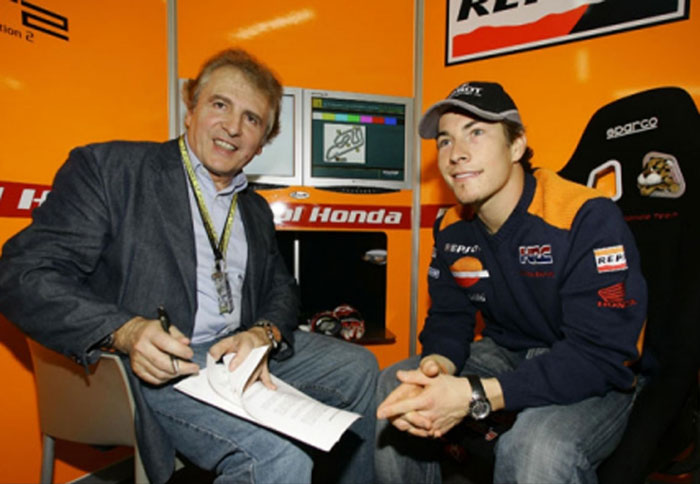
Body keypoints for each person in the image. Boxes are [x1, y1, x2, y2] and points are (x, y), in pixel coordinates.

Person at [0, 48, 377, 484]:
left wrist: (263, 332)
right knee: (279, 458)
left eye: (252, 119)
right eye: (220, 104)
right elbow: (21, 273)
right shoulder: (111, 170)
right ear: (191, 109)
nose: (233, 127)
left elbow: (281, 287)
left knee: (360, 368)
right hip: (151, 365)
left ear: (261, 144)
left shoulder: (254, 209)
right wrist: (126, 331)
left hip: (232, 353)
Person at [375, 81, 648, 483]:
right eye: (445, 140)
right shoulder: (451, 227)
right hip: (509, 351)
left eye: (476, 132)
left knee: (536, 447)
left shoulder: (585, 216)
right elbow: (449, 318)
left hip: (596, 369)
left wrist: (473, 395)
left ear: (517, 145)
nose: (456, 153)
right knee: (396, 388)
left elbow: (600, 354)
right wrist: (435, 369)